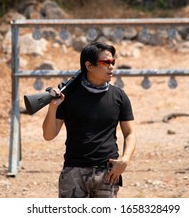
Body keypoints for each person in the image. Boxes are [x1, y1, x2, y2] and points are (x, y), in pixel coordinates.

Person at [42, 41, 136, 198]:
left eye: (113, 62)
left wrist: (124, 160)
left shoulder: (119, 96)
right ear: (89, 66)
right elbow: (48, 135)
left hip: (108, 173)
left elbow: (130, 132)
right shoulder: (68, 96)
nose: (111, 66)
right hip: (73, 172)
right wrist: (52, 108)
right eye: (105, 62)